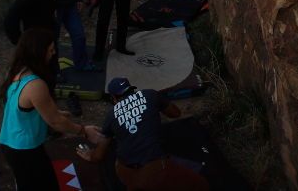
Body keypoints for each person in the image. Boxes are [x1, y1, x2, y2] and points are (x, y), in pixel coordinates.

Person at [0, 28, 103, 191]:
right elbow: (55, 122)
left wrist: (56, 113)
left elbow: (24, 109)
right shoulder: (35, 84)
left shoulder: (17, 71)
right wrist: (83, 131)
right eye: (51, 50)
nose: (54, 53)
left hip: (11, 142)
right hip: (24, 149)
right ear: (38, 52)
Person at [78, 77, 208, 191]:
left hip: (124, 171)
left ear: (114, 98)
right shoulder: (149, 94)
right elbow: (175, 113)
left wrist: (90, 155)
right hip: (154, 168)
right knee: (201, 185)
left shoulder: (111, 115)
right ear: (132, 90)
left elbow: (98, 155)